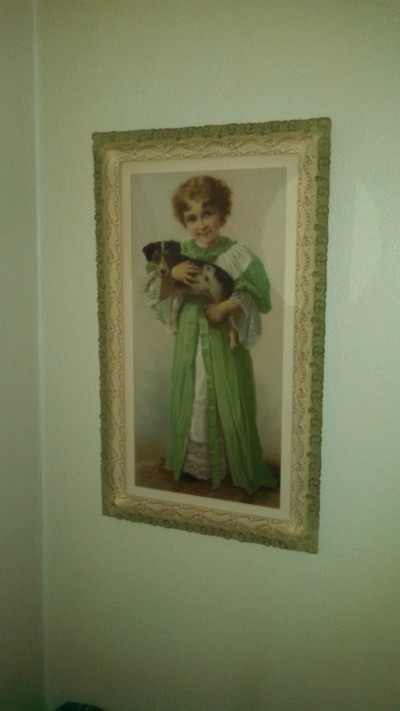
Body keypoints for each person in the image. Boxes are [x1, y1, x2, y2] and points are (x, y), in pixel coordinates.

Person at [145, 175, 276, 495]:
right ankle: (195, 464)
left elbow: (260, 295)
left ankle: (230, 463)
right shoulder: (175, 253)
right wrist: (171, 273)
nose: (201, 225)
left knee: (222, 395)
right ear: (183, 222)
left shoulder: (237, 254)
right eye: (192, 218)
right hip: (189, 341)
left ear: (222, 214)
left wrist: (226, 306)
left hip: (222, 340)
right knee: (194, 395)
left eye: (207, 214)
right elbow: (156, 290)